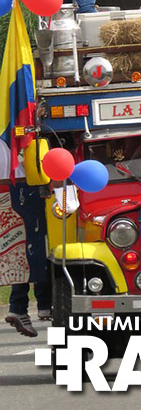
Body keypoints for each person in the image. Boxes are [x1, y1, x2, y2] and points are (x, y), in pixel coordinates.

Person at [1, 143, 51, 338]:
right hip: (25, 190)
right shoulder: (18, 141)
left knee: (23, 251)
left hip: (14, 193)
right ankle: (42, 305)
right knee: (40, 247)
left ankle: (20, 306)